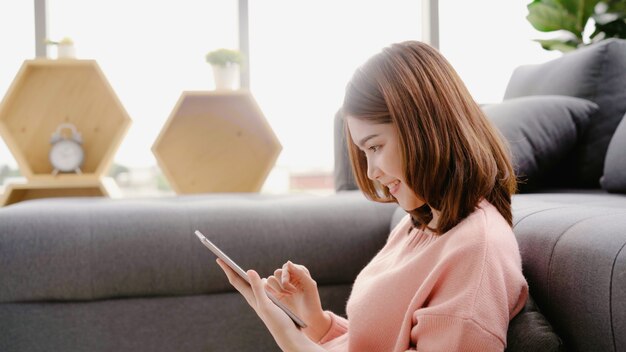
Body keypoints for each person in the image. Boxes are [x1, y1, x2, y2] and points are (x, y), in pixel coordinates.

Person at [216, 40, 529, 352]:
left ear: (426, 128)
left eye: (376, 147)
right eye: (365, 153)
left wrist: (291, 339)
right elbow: (376, 343)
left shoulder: (475, 253)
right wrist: (316, 323)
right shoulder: (419, 225)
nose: (371, 172)